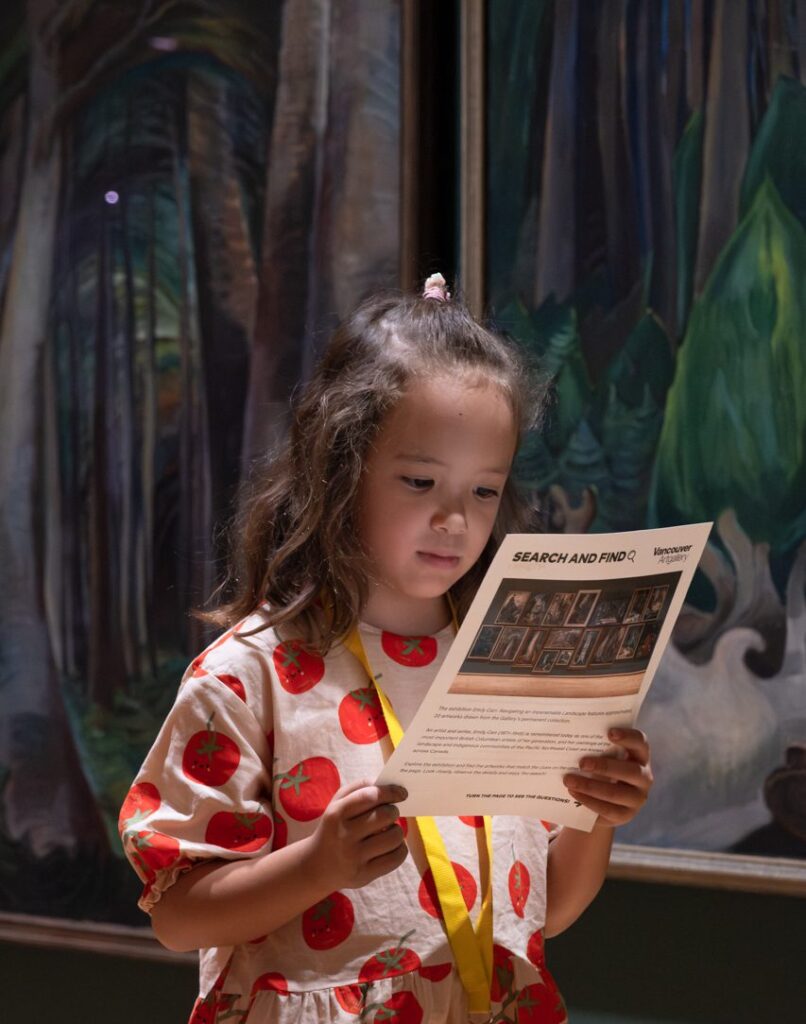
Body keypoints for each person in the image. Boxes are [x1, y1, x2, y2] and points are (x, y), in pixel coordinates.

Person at [119, 274, 653, 1024]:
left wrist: (600, 816)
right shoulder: (249, 673)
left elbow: (547, 914)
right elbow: (177, 919)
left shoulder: (515, 665)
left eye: (483, 491)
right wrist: (318, 866)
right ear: (339, 468)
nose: (454, 518)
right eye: (420, 480)